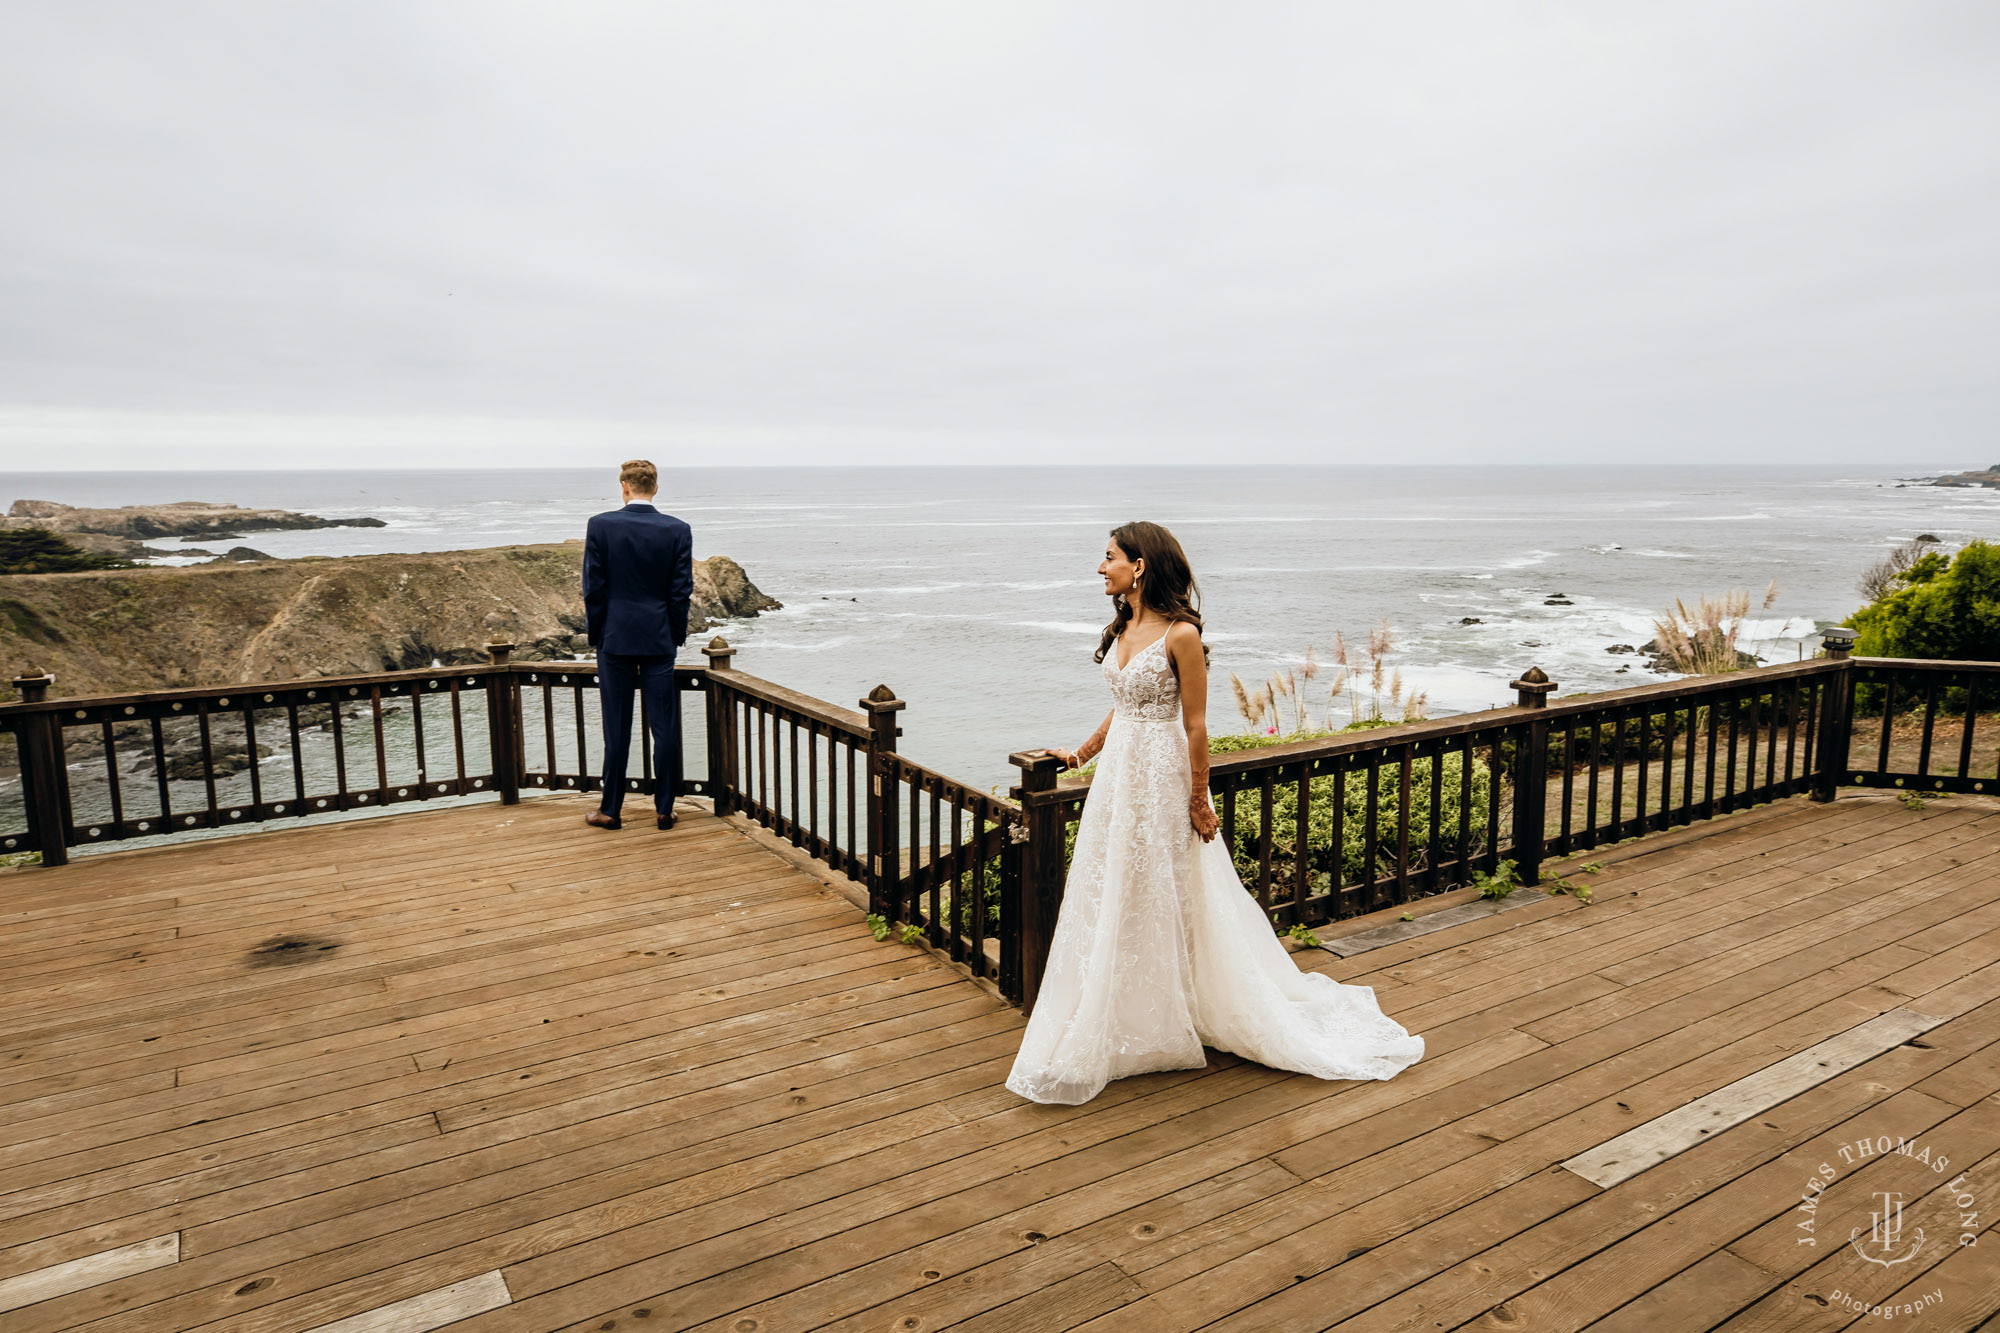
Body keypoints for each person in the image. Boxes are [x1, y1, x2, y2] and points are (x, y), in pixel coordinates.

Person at [1005, 521, 1425, 1105]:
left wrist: (1198, 798)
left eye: (1108, 559)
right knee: (1116, 887)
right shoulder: (1124, 625)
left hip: (1161, 774)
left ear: (1140, 566)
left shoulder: (1182, 635)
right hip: (1118, 778)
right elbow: (1122, 704)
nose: (1100, 569)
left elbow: (1197, 726)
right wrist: (1078, 754)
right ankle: (1126, 1009)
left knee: (1168, 888)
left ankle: (1184, 1008)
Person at [582, 459, 693, 831]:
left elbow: (593, 589)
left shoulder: (601, 525)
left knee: (616, 730)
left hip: (615, 638)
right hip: (659, 638)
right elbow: (680, 592)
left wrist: (597, 634)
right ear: (655, 488)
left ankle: (611, 810)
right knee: (663, 730)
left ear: (624, 487)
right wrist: (675, 634)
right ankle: (664, 809)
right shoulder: (678, 530)